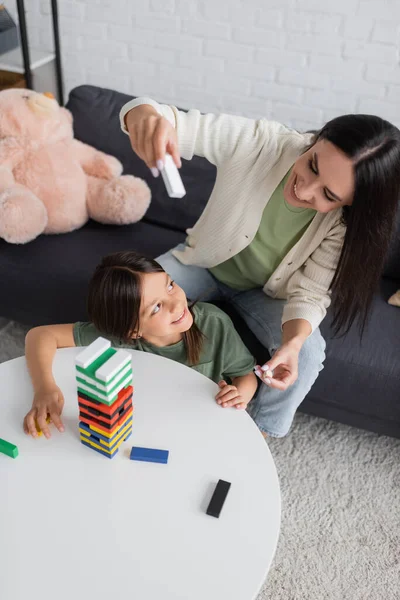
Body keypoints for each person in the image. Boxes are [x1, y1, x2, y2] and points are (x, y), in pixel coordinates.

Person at [120, 96, 400, 438]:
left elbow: (310, 293)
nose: (305, 189)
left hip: (269, 296)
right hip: (201, 265)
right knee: (129, 299)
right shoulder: (262, 143)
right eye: (312, 165)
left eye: (329, 194)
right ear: (315, 141)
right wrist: (145, 116)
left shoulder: (346, 226)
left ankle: (257, 435)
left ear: (351, 204)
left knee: (309, 357)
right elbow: (174, 121)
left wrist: (293, 344)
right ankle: (126, 393)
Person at [23, 251, 257, 439]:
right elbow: (40, 335)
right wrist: (44, 387)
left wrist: (238, 395)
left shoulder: (213, 323)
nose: (177, 304)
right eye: (156, 307)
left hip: (198, 425)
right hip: (145, 426)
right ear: (132, 331)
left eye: (170, 286)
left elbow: (246, 376)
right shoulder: (117, 338)